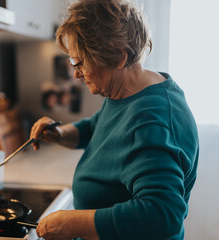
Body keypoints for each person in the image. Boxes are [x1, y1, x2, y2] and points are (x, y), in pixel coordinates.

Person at [30, 0, 199, 239]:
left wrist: (73, 222)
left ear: (120, 57)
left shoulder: (152, 120)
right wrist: (59, 134)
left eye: (80, 63)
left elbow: (163, 215)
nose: (76, 73)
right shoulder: (130, 92)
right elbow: (98, 127)